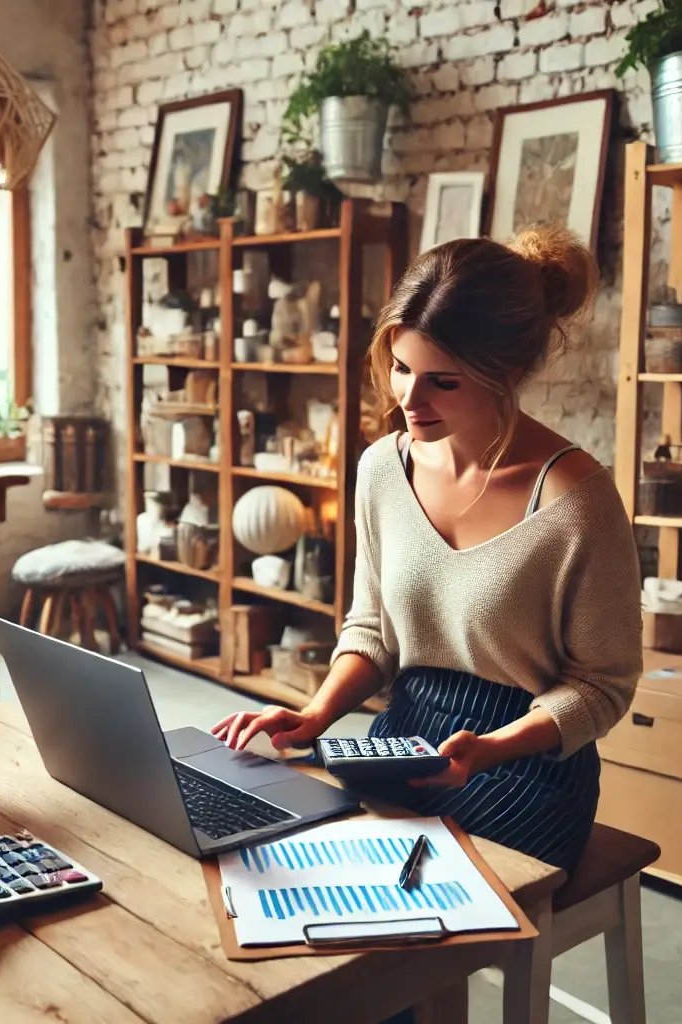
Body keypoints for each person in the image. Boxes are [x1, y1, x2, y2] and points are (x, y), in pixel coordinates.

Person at [212, 224, 643, 875]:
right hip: (403, 736)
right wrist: (314, 714)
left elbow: (601, 688)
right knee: (288, 854)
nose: (408, 399)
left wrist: (492, 748)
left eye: (443, 381)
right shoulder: (384, 468)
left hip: (528, 763)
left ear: (509, 372)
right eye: (401, 367)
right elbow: (372, 631)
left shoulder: (576, 499)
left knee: (412, 885)